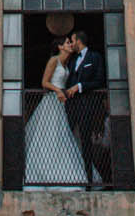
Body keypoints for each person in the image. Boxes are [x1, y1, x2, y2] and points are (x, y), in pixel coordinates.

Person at [23, 35, 90, 187]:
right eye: (67, 43)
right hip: (51, 101)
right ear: (60, 47)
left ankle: (63, 172)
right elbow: (44, 82)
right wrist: (58, 91)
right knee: (49, 135)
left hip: (60, 103)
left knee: (61, 135)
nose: (70, 45)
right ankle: (42, 174)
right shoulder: (54, 60)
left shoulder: (67, 64)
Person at [60, 28, 110, 189]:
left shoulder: (95, 57)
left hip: (87, 106)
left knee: (85, 142)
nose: (71, 44)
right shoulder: (73, 60)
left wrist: (80, 86)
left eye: (72, 41)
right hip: (71, 107)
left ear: (79, 41)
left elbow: (99, 80)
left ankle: (88, 179)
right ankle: (67, 175)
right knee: (67, 139)